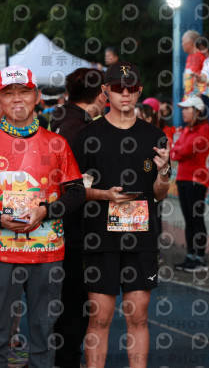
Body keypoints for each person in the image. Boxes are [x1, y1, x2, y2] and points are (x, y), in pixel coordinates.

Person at [70, 61, 171, 368]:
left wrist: (164, 172)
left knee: (138, 317)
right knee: (99, 318)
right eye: (117, 88)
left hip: (141, 239)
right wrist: (106, 195)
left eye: (131, 88)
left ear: (139, 91)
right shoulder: (87, 136)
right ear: (106, 91)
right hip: (100, 239)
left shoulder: (156, 136)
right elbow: (74, 191)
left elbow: (159, 193)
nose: (125, 94)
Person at [0, 65, 85, 368]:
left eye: (23, 92)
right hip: (2, 253)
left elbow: (77, 192)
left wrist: (45, 211)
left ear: (36, 96)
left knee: (43, 332)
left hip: (46, 254)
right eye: (8, 93)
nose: (17, 99)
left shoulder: (56, 143)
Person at [50, 67, 107, 368]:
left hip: (62, 223)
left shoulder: (60, 118)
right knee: (75, 304)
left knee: (66, 302)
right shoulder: (79, 129)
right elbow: (77, 187)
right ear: (99, 95)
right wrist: (109, 193)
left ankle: (63, 356)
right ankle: (67, 359)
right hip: (75, 228)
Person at [171, 96, 209, 273]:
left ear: (198, 111)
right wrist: (177, 151)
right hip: (183, 178)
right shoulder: (188, 129)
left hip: (197, 180)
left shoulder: (204, 129)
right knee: (189, 220)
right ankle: (190, 256)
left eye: (187, 108)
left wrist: (177, 150)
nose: (183, 112)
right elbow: (174, 152)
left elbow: (185, 150)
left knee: (196, 219)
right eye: (183, 108)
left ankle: (200, 259)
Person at [181, 30, 206, 99]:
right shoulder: (190, 56)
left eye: (183, 41)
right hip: (190, 97)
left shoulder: (198, 56)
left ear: (190, 42)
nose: (182, 44)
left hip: (195, 98)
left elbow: (196, 79)